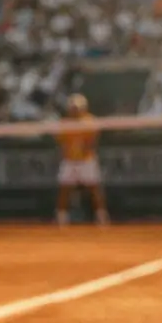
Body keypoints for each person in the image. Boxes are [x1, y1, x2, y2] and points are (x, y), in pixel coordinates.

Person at [55, 94, 109, 226]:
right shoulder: (64, 124)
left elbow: (91, 142)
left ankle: (101, 216)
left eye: (78, 108)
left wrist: (82, 150)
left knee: (94, 189)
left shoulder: (90, 122)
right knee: (64, 189)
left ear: (84, 108)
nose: (75, 110)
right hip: (69, 161)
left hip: (86, 160)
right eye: (73, 108)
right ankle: (61, 217)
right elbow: (62, 143)